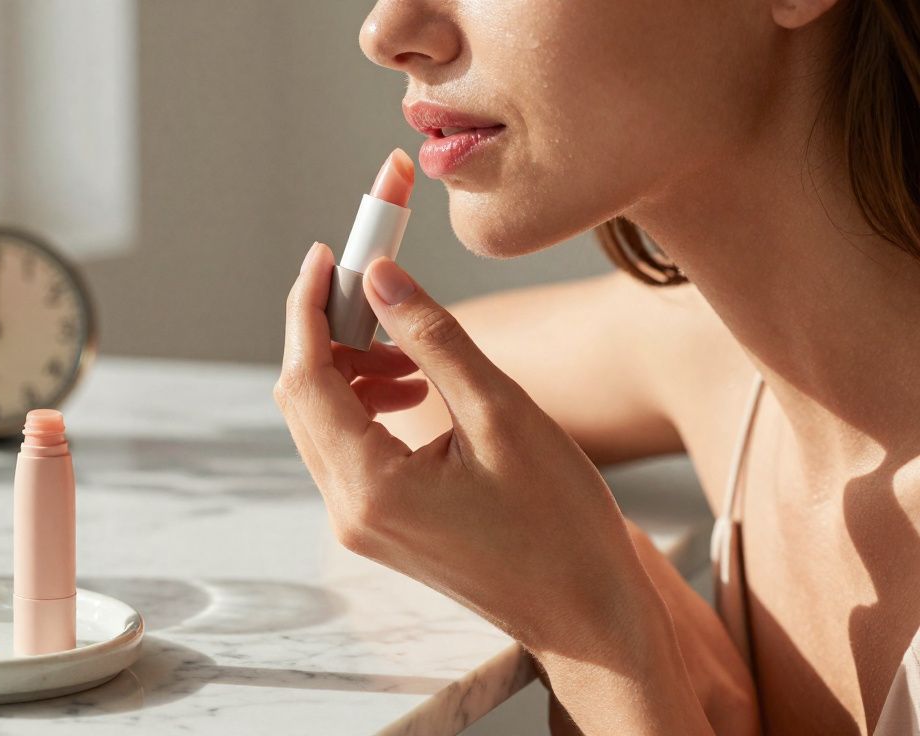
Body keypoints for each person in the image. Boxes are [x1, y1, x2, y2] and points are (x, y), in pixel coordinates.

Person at [272, 0, 920, 733]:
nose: (384, 32)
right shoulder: (718, 351)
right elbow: (404, 398)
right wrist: (627, 579)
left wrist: (599, 638)